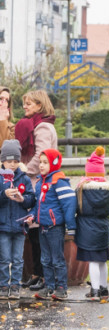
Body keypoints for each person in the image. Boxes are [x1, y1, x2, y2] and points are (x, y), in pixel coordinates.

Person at [14, 90, 57, 291]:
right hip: (35, 182)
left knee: (38, 233)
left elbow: (42, 155)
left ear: (40, 105)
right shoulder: (38, 125)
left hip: (38, 183)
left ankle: (43, 276)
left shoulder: (43, 128)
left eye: (29, 103)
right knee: (33, 234)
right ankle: (36, 273)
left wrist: (23, 169)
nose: (25, 107)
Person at [28, 148, 75, 300]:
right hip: (42, 227)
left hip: (55, 228)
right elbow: (38, 205)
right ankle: (49, 286)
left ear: (54, 163)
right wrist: (32, 216)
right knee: (45, 259)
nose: (41, 165)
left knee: (57, 259)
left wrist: (71, 226)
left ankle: (61, 288)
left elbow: (69, 204)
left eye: (45, 162)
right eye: (40, 162)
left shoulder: (58, 181)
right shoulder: (40, 182)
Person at [75, 147, 109, 300]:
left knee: (92, 261)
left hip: (86, 229)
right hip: (102, 228)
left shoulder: (81, 189)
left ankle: (95, 290)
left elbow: (76, 207)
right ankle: (104, 290)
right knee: (101, 260)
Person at [0, 139, 35, 299]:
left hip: (20, 226)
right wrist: (3, 194)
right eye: (9, 162)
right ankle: (3, 285)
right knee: (4, 258)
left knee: (17, 259)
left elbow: (31, 199)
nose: (12, 165)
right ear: (3, 162)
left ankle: (15, 285)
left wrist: (22, 199)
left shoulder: (24, 178)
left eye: (15, 161)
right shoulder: (0, 179)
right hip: (3, 226)